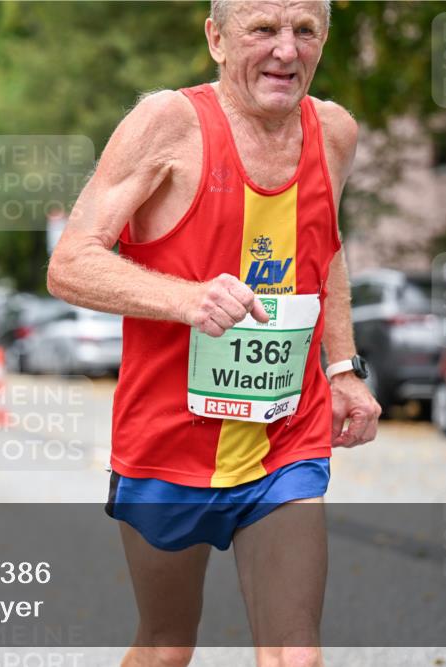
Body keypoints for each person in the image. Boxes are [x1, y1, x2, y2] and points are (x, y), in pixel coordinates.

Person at [46, 2, 381, 666]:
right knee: (168, 646)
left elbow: (326, 247)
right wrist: (187, 297)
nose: (286, 50)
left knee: (296, 654)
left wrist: (341, 367)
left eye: (304, 31)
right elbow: (69, 263)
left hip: (286, 434)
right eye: (263, 29)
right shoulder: (168, 125)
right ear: (217, 40)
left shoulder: (335, 132)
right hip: (168, 440)